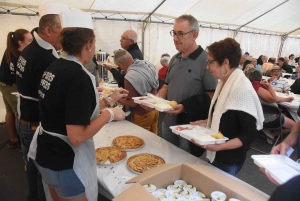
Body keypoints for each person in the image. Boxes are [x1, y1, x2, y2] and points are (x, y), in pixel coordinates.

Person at [28, 10, 127, 201]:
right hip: (64, 162)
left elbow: (70, 109)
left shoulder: (55, 66)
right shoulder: (78, 76)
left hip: (46, 153)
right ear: (88, 44)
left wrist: (108, 101)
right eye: (95, 42)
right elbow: (77, 136)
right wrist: (110, 115)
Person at [15, 3, 69, 201]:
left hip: (26, 120)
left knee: (32, 172)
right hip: (35, 124)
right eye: (61, 32)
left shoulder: (29, 50)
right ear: (48, 31)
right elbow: (51, 99)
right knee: (42, 177)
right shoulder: (45, 57)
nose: (63, 38)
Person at [190, 38, 264, 176]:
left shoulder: (242, 89)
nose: (207, 67)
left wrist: (220, 147)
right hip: (218, 153)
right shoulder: (224, 82)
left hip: (230, 158)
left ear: (225, 62)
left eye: (210, 62)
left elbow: (249, 134)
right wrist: (206, 122)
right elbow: (226, 116)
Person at [156, 14, 218, 153]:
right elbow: (166, 86)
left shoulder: (206, 61)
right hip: (169, 121)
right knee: (167, 154)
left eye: (180, 34)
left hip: (189, 125)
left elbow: (212, 95)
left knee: (185, 161)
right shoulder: (174, 59)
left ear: (194, 35)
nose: (175, 38)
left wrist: (185, 106)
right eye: (174, 33)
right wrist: (156, 99)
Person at [0, 29, 32, 149]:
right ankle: (20, 142)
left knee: (10, 111)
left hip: (4, 84)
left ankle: (14, 138)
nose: (32, 43)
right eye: (30, 40)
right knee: (19, 114)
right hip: (10, 86)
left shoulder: (11, 50)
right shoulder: (19, 56)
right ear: (20, 42)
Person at [115, 50, 159, 134]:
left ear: (121, 64)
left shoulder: (130, 76)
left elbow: (133, 103)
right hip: (155, 108)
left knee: (140, 139)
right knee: (154, 140)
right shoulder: (147, 64)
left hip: (142, 113)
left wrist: (116, 99)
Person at [248, 69, 295, 139]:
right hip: (268, 118)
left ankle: (269, 131)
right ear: (260, 78)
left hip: (258, 116)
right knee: (295, 126)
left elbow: (273, 98)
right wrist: (269, 86)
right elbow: (274, 98)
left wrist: (286, 99)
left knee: (285, 115)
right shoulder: (258, 87)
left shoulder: (250, 86)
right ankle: (272, 134)